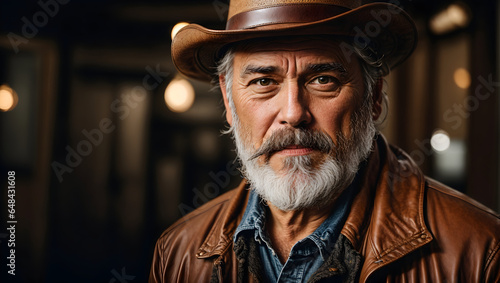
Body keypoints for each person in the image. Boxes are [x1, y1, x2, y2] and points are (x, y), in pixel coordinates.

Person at [149, 0, 500, 282]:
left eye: (323, 79)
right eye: (263, 82)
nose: (293, 113)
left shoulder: (480, 252)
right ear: (229, 103)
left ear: (373, 96)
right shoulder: (178, 251)